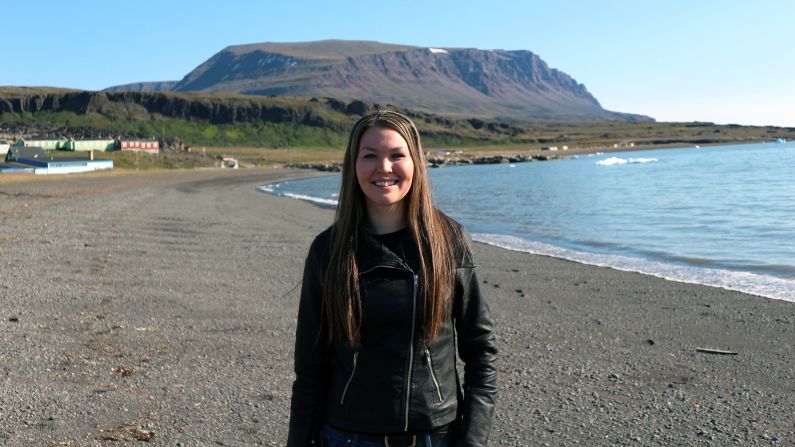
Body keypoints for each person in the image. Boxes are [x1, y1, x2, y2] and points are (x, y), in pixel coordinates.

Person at [287, 110, 497, 447]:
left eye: (397, 155)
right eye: (370, 156)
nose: (384, 167)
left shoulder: (449, 242)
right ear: (353, 166)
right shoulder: (328, 251)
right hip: (345, 436)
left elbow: (481, 354)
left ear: (415, 163)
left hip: (433, 434)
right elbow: (309, 369)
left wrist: (471, 441)